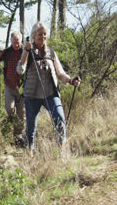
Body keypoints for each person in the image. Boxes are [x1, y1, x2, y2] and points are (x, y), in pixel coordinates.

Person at [17, 22, 80, 155]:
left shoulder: (51, 52)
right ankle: (30, 153)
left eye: (45, 34)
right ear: (33, 35)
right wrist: (26, 52)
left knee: (59, 119)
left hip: (51, 93)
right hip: (32, 96)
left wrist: (70, 80)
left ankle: (61, 151)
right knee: (30, 127)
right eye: (40, 34)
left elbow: (60, 73)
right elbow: (20, 70)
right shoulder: (27, 51)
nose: (43, 36)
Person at [0, 31, 25, 146]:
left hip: (23, 86)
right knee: (9, 109)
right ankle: (10, 123)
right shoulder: (6, 52)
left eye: (17, 42)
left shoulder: (26, 51)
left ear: (21, 41)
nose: (16, 44)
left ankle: (18, 137)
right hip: (9, 85)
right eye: (14, 42)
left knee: (21, 112)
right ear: (11, 41)